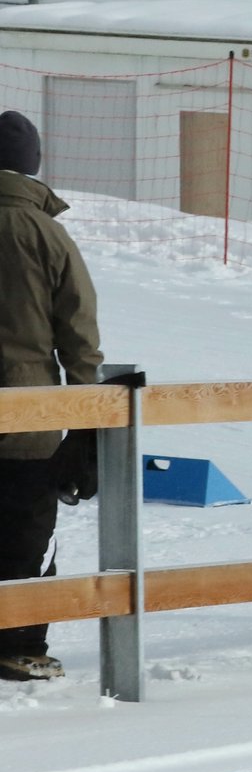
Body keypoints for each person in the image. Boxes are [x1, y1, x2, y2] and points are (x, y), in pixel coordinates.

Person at [1, 112, 102, 683]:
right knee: (24, 530)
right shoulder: (46, 233)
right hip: (30, 414)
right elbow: (78, 332)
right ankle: (18, 645)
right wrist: (86, 418)